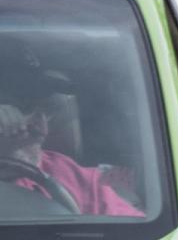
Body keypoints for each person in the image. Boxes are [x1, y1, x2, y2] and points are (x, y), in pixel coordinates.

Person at [0, 73, 142, 217]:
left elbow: (137, 233)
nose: (43, 130)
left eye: (47, 113)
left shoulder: (75, 176)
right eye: (25, 110)